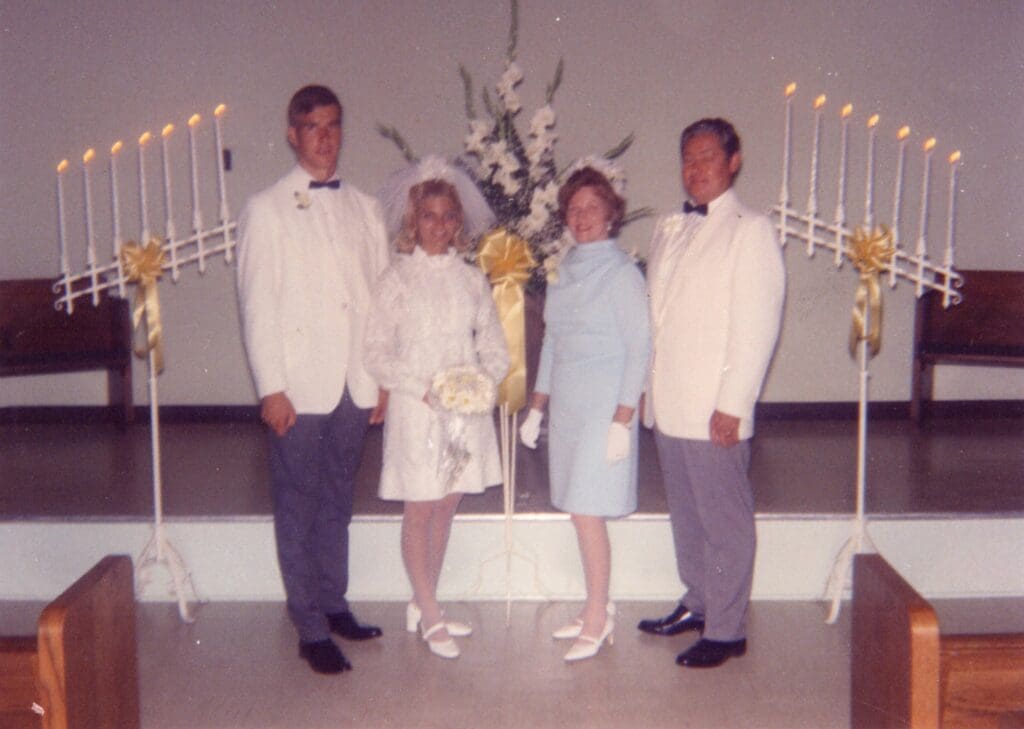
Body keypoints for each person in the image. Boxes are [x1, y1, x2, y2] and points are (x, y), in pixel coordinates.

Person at [236, 84, 389, 675]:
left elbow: (378, 299)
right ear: (292, 134)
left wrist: (381, 380)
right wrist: (270, 387)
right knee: (297, 503)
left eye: (333, 126)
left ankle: (333, 602)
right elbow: (258, 306)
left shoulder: (366, 208)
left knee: (337, 501)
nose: (325, 139)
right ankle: (308, 625)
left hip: (355, 380)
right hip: (298, 386)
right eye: (312, 127)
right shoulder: (266, 208)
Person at [638, 118, 785, 668]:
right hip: (671, 400)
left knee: (723, 518)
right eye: (687, 159)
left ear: (733, 161)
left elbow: (757, 326)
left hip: (714, 406)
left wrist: (734, 402)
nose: (695, 169)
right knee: (687, 513)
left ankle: (726, 629)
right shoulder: (669, 229)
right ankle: (698, 601)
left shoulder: (750, 230)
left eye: (706, 157)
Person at [364, 161, 508, 660]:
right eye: (429, 215)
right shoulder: (396, 280)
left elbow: (495, 347)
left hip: (463, 413)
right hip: (418, 409)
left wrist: (478, 384)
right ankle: (429, 613)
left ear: (458, 222)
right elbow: (377, 352)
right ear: (413, 220)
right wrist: (424, 389)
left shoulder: (471, 281)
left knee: (448, 501)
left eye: (448, 216)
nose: (439, 225)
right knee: (420, 505)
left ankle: (425, 602)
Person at [519, 166, 651, 662]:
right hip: (570, 410)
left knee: (589, 513)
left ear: (611, 214)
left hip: (604, 410)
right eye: (573, 209)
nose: (581, 217)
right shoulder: (565, 268)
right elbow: (553, 341)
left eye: (591, 207)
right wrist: (537, 408)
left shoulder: (621, 273)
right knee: (579, 510)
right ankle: (597, 604)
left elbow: (640, 348)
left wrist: (622, 419)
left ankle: (597, 616)